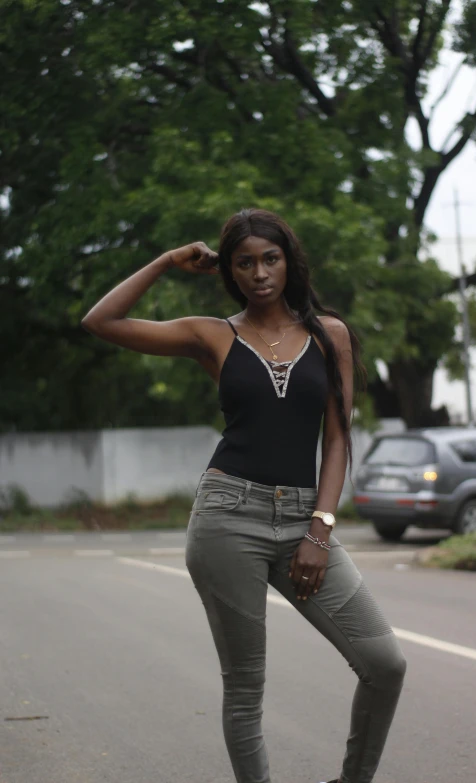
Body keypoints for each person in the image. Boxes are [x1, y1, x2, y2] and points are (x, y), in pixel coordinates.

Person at [81, 208, 407, 783]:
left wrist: (319, 530)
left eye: (271, 259)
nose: (260, 273)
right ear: (230, 271)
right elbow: (101, 320)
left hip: (305, 518)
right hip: (227, 517)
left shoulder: (329, 336)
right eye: (245, 263)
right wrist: (166, 261)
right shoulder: (212, 334)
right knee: (245, 687)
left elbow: (336, 440)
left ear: (289, 261)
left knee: (385, 663)